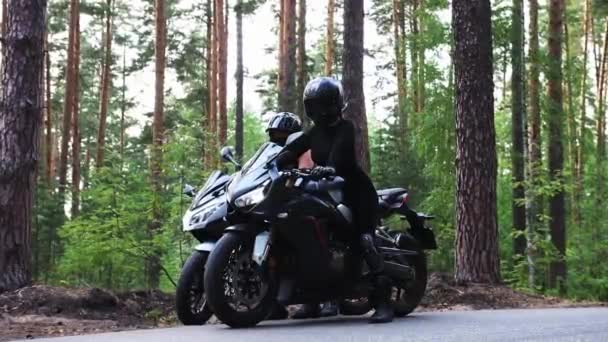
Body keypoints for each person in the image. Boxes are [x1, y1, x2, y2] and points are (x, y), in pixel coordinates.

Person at [278, 77, 394, 324]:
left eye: (319, 104)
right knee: (310, 234)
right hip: (328, 190)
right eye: (311, 105)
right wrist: (279, 160)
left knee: (364, 240)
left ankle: (383, 302)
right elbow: (292, 148)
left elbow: (338, 154)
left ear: (332, 104)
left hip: (356, 192)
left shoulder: (346, 128)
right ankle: (313, 300)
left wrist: (328, 168)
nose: (315, 110)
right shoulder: (314, 132)